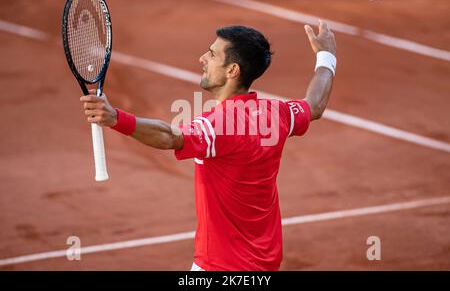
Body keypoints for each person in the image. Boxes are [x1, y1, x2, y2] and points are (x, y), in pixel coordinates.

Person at [80, 20, 337, 271]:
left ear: (232, 70)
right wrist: (326, 57)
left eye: (212, 54)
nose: (202, 58)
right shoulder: (277, 114)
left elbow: (170, 137)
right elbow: (314, 105)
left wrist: (116, 119)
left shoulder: (218, 125)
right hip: (266, 263)